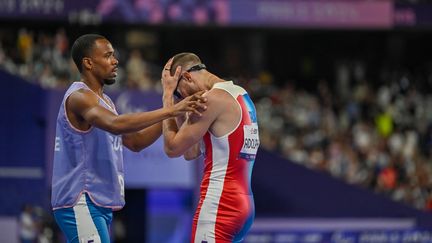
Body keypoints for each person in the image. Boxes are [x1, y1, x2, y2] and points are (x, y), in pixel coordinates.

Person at [51, 35, 206, 243]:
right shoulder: (79, 96)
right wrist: (170, 110)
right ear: (88, 63)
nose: (115, 61)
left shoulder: (105, 101)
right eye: (107, 56)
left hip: (97, 203)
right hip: (81, 199)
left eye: (114, 55)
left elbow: (136, 142)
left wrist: (173, 104)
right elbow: (116, 124)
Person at [160, 53, 260, 242]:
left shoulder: (211, 100)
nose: (181, 98)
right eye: (176, 96)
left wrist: (166, 97)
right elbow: (190, 152)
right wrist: (181, 108)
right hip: (244, 205)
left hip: (220, 205)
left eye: (178, 92)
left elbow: (172, 148)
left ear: (188, 77)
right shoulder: (240, 94)